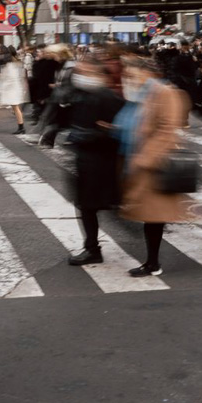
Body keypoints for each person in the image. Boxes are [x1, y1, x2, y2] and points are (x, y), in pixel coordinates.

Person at [118, 54, 193, 277]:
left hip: (155, 166)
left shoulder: (164, 93)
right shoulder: (142, 94)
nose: (129, 78)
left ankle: (152, 263)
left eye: (132, 73)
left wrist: (144, 158)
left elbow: (168, 129)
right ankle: (152, 261)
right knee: (150, 217)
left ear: (146, 72)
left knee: (153, 217)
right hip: (140, 162)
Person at [65, 57, 126, 267]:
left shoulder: (107, 96)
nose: (79, 75)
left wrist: (90, 134)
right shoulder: (83, 94)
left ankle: (93, 249)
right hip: (87, 160)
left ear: (98, 74)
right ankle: (92, 248)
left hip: (101, 162)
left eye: (84, 71)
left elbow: (119, 129)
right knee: (87, 206)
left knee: (95, 205)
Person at [0, 51, 28, 134]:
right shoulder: (14, 65)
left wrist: (2, 85)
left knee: (16, 109)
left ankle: (21, 127)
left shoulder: (10, 67)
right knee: (16, 109)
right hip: (15, 90)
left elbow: (9, 80)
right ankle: (21, 127)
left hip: (13, 91)